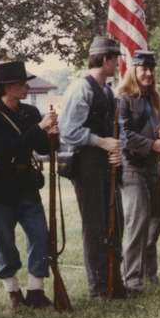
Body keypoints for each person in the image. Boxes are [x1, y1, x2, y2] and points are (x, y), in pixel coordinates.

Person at [0, 61, 57, 310]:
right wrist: (38, 129)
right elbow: (6, 149)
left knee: (39, 235)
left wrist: (52, 133)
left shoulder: (30, 113)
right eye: (21, 83)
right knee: (5, 241)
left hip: (26, 183)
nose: (26, 87)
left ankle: (36, 290)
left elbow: (42, 148)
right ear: (7, 87)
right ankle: (13, 292)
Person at [58, 36, 125, 298]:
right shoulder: (81, 89)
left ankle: (113, 281)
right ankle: (98, 286)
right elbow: (69, 130)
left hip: (106, 163)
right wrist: (101, 142)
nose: (118, 63)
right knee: (95, 225)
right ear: (105, 59)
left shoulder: (107, 90)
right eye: (115, 58)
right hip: (86, 165)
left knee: (114, 222)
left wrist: (114, 149)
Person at [114, 50, 160, 294]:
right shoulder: (123, 99)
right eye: (143, 69)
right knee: (137, 224)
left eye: (151, 69)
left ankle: (150, 273)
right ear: (134, 71)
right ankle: (132, 280)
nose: (148, 73)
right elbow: (124, 135)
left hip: (153, 168)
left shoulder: (154, 99)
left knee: (156, 221)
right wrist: (152, 144)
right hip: (132, 167)